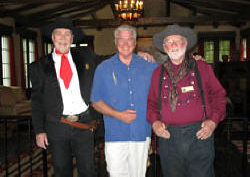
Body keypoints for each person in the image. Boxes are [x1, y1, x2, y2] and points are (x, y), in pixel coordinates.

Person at [30, 18, 155, 177]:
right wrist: (39, 131)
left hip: (84, 125)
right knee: (61, 170)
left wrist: (136, 53)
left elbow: (111, 58)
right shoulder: (38, 66)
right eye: (59, 34)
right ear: (53, 38)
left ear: (72, 38)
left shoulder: (85, 56)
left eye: (67, 34)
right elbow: (37, 101)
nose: (63, 38)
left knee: (88, 169)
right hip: (57, 124)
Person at [146, 24, 227, 177]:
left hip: (200, 134)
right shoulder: (157, 73)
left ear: (185, 44)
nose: (173, 45)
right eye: (169, 42)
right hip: (168, 136)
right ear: (164, 47)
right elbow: (151, 103)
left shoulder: (201, 67)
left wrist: (213, 122)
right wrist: (155, 123)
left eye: (178, 40)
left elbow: (219, 96)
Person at [90, 24, 158, 177]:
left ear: (135, 43)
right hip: (115, 134)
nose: (125, 44)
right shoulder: (103, 68)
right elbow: (95, 101)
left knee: (138, 174)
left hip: (141, 133)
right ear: (116, 42)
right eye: (121, 40)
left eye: (130, 40)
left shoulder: (150, 67)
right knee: (116, 174)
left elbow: (162, 92)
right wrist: (118, 115)